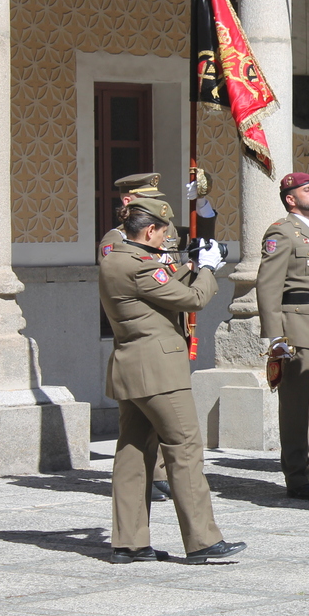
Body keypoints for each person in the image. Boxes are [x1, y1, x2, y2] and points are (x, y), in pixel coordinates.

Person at [99, 197, 245, 564]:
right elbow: (193, 299)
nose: (166, 243)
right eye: (163, 235)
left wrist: (193, 264)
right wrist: (209, 269)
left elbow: (160, 286)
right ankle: (202, 540)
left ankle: (129, 542)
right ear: (149, 230)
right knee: (184, 446)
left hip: (130, 367)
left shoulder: (116, 256)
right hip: (159, 371)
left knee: (133, 453)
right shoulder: (140, 266)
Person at [98, 172, 190, 503]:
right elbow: (137, 283)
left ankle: (160, 473)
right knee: (176, 433)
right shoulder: (115, 243)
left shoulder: (161, 235)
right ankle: (160, 479)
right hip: (146, 334)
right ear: (128, 201)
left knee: (156, 426)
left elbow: (172, 271)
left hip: (167, 324)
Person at [256, 172, 309, 500]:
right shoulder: (282, 232)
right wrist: (275, 337)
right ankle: (296, 475)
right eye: (307, 190)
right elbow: (268, 286)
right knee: (296, 407)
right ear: (291, 198)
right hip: (298, 329)